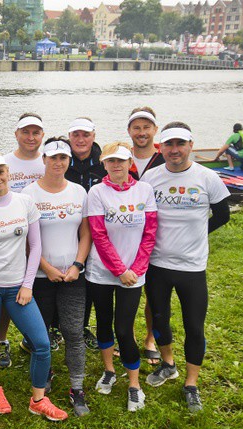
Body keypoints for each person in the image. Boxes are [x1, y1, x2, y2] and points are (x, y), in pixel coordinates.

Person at [0, 153, 67, 421]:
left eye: (1, 172)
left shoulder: (25, 202)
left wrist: (27, 284)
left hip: (18, 288)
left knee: (42, 343)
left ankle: (38, 399)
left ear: (8, 172)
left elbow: (35, 247)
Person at [140, 123, 230, 413]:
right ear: (160, 147)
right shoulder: (151, 177)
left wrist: (197, 236)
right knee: (160, 318)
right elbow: (141, 214)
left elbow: (223, 214)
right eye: (169, 144)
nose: (175, 150)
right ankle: (168, 364)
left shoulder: (207, 177)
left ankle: (191, 384)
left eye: (180, 144)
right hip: (158, 263)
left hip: (192, 266)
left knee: (194, 325)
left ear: (191, 145)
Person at [21, 138, 92, 416]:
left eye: (63, 158)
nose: (58, 163)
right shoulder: (29, 194)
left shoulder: (78, 192)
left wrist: (77, 264)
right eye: (53, 158)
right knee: (42, 335)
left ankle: (77, 388)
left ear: (69, 161)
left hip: (74, 276)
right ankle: (46, 373)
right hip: (40, 276)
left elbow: (85, 233)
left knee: (73, 332)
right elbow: (26, 240)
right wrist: (46, 268)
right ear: (44, 160)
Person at [85, 142, 157, 412]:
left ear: (130, 164)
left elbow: (150, 233)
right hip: (102, 273)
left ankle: (135, 385)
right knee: (103, 322)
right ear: (104, 164)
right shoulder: (97, 192)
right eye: (111, 161)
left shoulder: (145, 190)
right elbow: (99, 235)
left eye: (122, 161)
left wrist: (136, 270)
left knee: (124, 329)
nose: (116, 165)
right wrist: (119, 270)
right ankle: (109, 370)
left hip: (134, 273)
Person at [0, 113, 47, 368]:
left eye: (36, 132)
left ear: (42, 136)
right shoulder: (4, 162)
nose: (30, 137)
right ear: (16, 134)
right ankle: (2, 340)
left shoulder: (47, 163)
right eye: (25, 132)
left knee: (41, 290)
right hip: (9, 239)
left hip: (42, 232)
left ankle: (35, 336)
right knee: (7, 292)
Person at [127, 107, 164, 364]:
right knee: (125, 290)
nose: (142, 133)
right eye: (137, 128)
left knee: (154, 291)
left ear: (155, 130)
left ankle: (150, 338)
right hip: (125, 237)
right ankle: (125, 335)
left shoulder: (166, 159)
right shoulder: (119, 157)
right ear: (129, 130)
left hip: (157, 237)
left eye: (146, 128)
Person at [65, 117, 105, 351]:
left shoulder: (103, 162)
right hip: (68, 227)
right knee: (68, 275)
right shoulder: (61, 160)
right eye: (75, 135)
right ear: (69, 137)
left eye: (86, 135)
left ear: (93, 136)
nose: (80, 139)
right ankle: (57, 326)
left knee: (90, 280)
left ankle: (83, 325)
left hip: (98, 231)